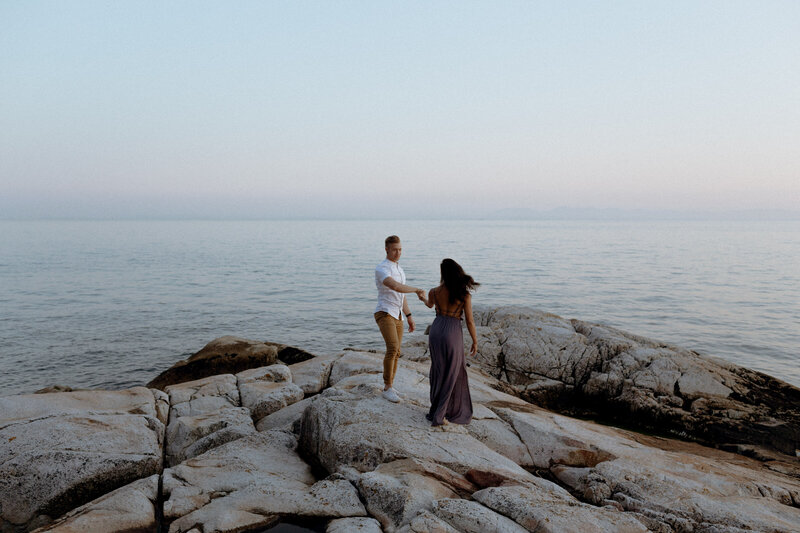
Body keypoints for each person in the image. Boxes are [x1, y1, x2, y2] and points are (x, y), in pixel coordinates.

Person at [418, 258, 479, 426]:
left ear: (443, 274)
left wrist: (423, 298)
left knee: (438, 371)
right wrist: (475, 340)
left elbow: (430, 305)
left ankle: (436, 409)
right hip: (452, 332)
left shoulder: (434, 292)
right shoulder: (463, 294)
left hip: (436, 330)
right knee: (453, 371)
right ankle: (440, 415)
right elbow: (470, 321)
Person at [375, 235, 425, 403]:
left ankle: (390, 386)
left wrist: (409, 316)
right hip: (385, 312)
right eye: (395, 249)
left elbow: (401, 294)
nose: (398, 252)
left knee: (397, 352)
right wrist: (417, 289)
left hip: (398, 314)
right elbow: (395, 286)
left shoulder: (400, 269)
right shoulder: (382, 268)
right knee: (392, 348)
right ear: (387, 249)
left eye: (400, 249)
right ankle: (387, 387)